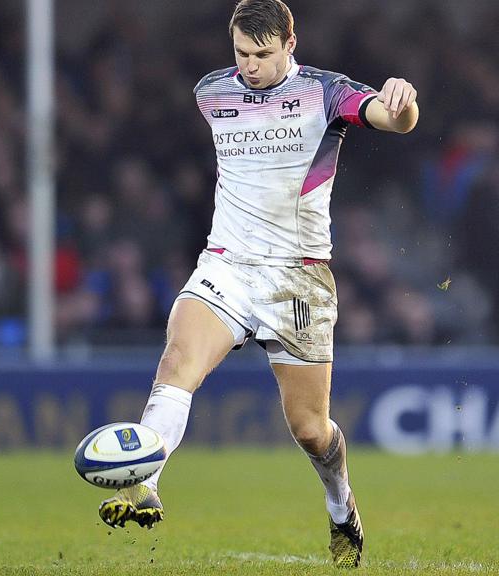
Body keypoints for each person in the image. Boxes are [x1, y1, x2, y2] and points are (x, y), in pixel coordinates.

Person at [97, 0, 418, 569]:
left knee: (311, 429)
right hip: (226, 266)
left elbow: (393, 121)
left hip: (298, 278)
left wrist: (403, 102)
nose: (250, 66)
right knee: (177, 365)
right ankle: (142, 485)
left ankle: (341, 503)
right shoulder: (211, 91)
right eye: (242, 53)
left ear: (291, 43)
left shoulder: (327, 92)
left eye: (263, 55)